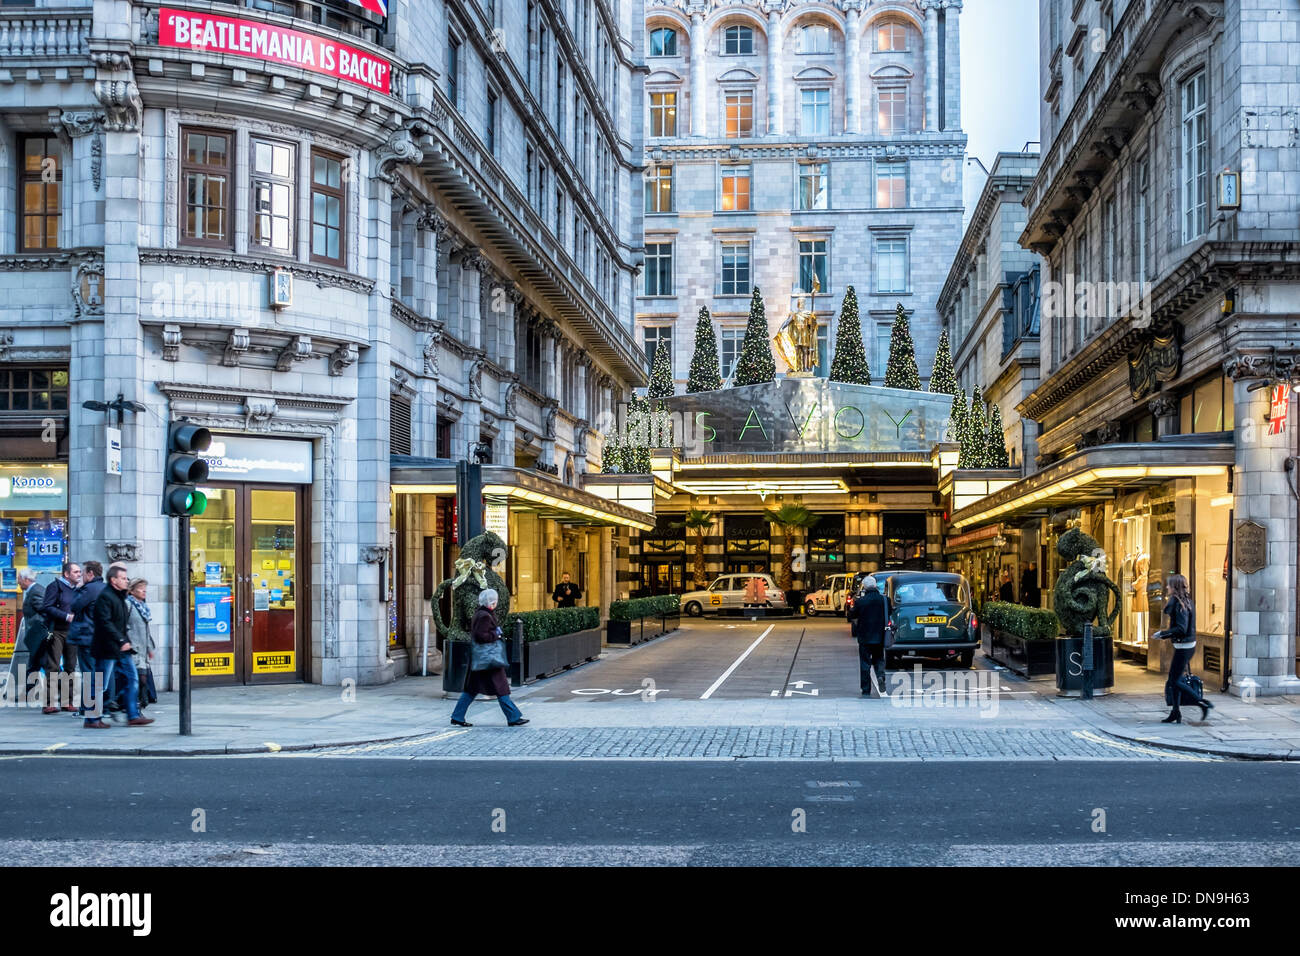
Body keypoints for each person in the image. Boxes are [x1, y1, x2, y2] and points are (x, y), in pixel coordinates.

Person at [449, 588, 528, 728]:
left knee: (471, 690)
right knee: (501, 688)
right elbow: (481, 636)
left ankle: (457, 716)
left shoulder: (480, 614)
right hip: (488, 659)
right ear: (492, 602)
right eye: (495, 601)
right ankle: (513, 717)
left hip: (481, 660)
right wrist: (496, 635)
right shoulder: (485, 616)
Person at [86, 565, 152, 728]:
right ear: (113, 580)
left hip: (122, 647)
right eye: (122, 578)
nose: (126, 581)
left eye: (126, 578)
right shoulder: (105, 597)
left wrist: (126, 643)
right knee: (100, 683)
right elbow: (104, 623)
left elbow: (122, 624)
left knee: (132, 678)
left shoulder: (121, 597)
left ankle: (133, 715)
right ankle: (92, 718)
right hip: (107, 647)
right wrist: (122, 641)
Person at [1153, 573, 1212, 724]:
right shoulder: (1185, 601)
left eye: (1169, 585)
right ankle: (1175, 713)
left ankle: (1201, 703)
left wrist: (1162, 634)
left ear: (1174, 587)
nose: (1166, 587)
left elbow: (1181, 628)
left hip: (1184, 646)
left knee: (1174, 680)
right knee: (1176, 680)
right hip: (1184, 645)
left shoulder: (1180, 604)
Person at [39, 561, 82, 713]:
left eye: (80, 572)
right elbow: (47, 606)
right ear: (67, 574)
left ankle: (67, 702)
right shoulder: (55, 586)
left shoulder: (77, 590)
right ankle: (49, 703)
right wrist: (65, 616)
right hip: (56, 631)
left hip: (72, 632)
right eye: (76, 572)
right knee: (53, 666)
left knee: (70, 666)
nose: (79, 574)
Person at [68, 561, 106, 718]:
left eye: (83, 573)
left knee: (88, 674)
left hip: (87, 636)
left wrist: (77, 590)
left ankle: (88, 708)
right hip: (100, 637)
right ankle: (94, 707)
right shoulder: (104, 588)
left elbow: (74, 606)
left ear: (90, 573)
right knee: (97, 673)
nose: (81, 576)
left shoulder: (89, 589)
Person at [848, 576, 890, 697]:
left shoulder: (861, 601)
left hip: (865, 636)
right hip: (880, 635)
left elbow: (852, 614)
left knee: (865, 662)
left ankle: (866, 689)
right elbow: (890, 612)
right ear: (876, 585)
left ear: (865, 587)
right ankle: (881, 676)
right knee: (879, 659)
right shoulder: (885, 600)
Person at [124, 578, 157, 714]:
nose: (144, 591)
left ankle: (136, 707)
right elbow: (122, 625)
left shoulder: (143, 606)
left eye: (145, 588)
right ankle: (133, 708)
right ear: (131, 591)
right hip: (132, 649)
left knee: (141, 679)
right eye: (141, 588)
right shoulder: (127, 604)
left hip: (142, 650)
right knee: (137, 679)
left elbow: (146, 629)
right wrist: (126, 642)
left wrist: (149, 647)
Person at [18, 571, 49, 688]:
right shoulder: (33, 590)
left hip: (39, 636)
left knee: (44, 664)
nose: (18, 582)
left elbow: (45, 611)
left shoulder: (36, 591)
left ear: (25, 579)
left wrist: (41, 631)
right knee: (35, 664)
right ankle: (27, 691)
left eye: (19, 579)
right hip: (37, 636)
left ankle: (63, 689)